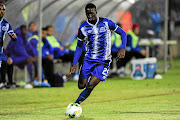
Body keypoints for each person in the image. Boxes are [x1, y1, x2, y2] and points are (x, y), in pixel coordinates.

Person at [69, 3, 127, 104]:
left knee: (90, 86)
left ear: (96, 12)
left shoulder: (106, 22)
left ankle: (75, 104)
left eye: (91, 13)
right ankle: (89, 74)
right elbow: (78, 46)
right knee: (81, 86)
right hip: (88, 59)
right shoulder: (83, 28)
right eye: (87, 13)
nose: (89, 15)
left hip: (103, 61)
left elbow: (123, 33)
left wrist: (123, 48)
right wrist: (74, 63)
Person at [0, 3, 17, 88]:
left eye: (3, 10)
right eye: (0, 9)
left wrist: (14, 37)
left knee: (7, 62)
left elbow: (13, 36)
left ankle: (6, 82)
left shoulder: (6, 24)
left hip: (1, 49)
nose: (2, 11)